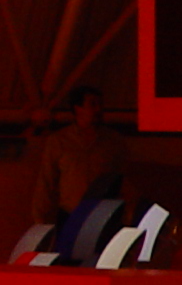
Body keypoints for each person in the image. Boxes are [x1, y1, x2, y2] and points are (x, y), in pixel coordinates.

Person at [29, 85, 129, 226]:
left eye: (100, 104)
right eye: (93, 104)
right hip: (70, 214)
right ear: (77, 108)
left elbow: (124, 180)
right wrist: (40, 218)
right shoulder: (59, 141)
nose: (98, 109)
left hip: (104, 217)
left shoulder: (113, 141)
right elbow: (46, 181)